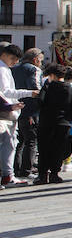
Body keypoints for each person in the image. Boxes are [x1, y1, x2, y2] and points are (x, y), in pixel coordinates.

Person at [33, 64, 72, 184]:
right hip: (63, 123)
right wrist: (69, 118)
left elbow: (40, 101)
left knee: (44, 149)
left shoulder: (47, 87)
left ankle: (43, 175)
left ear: (52, 75)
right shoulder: (71, 88)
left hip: (46, 122)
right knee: (58, 149)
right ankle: (55, 174)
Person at [0, 44, 36, 188]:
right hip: (6, 111)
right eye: (13, 58)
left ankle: (7, 174)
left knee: (10, 143)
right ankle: (7, 175)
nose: (15, 62)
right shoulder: (2, 69)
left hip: (8, 109)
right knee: (8, 144)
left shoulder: (5, 69)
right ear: (3, 54)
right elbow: (5, 92)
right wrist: (28, 93)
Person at [12, 48, 43, 179]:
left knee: (19, 140)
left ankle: (15, 167)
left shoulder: (14, 69)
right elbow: (35, 88)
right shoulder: (34, 69)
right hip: (31, 109)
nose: (41, 63)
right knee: (31, 140)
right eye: (40, 60)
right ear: (35, 59)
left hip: (16, 107)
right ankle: (27, 169)